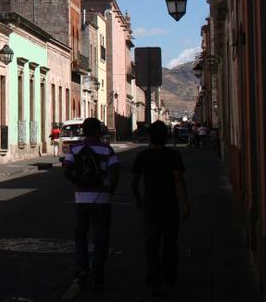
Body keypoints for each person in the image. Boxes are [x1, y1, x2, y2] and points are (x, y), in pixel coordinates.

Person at [132, 121, 190, 297]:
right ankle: (170, 277)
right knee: (170, 244)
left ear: (149, 137)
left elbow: (135, 182)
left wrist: (139, 200)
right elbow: (179, 180)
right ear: (166, 136)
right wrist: (185, 204)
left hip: (150, 206)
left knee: (151, 246)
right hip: (170, 206)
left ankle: (154, 282)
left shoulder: (142, 156)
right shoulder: (173, 155)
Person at [63, 117, 120, 291]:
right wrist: (110, 189)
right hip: (102, 198)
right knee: (100, 238)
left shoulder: (76, 149)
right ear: (98, 131)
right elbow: (115, 171)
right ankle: (97, 275)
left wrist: (77, 182)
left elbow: (66, 169)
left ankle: (81, 272)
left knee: (80, 237)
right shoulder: (106, 149)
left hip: (81, 198)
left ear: (83, 131)